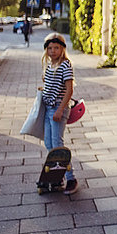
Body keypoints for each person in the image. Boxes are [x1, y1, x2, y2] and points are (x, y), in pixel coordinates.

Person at [41, 32, 78, 195]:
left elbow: (69, 90)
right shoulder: (50, 64)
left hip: (58, 108)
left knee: (57, 145)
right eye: (50, 48)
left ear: (62, 48)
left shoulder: (65, 64)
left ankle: (71, 179)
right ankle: (58, 175)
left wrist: (60, 109)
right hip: (49, 108)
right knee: (49, 144)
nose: (53, 51)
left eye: (56, 47)